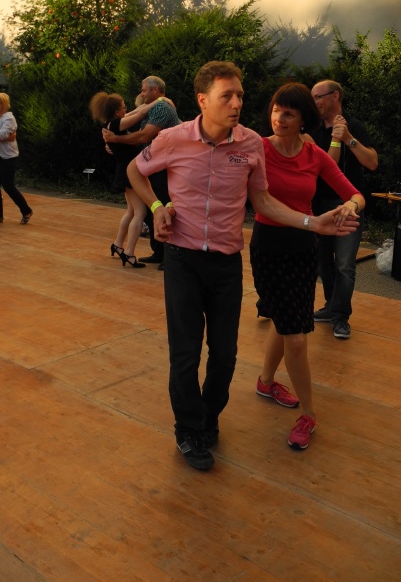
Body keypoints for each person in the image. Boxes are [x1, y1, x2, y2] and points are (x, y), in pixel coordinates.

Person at [127, 61, 360, 471]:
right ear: (203, 100)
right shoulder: (172, 138)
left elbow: (264, 201)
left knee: (225, 354)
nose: (237, 104)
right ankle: (188, 429)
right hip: (182, 259)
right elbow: (135, 169)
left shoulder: (251, 144)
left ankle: (209, 417)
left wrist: (313, 223)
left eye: (240, 96)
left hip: (226, 262)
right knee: (185, 353)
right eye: (227, 96)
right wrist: (158, 206)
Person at [250, 83, 364, 451]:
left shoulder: (314, 154)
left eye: (288, 113)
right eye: (275, 110)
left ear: (303, 120)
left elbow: (354, 193)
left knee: (285, 322)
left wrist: (350, 207)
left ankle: (265, 382)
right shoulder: (258, 149)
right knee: (295, 336)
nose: (279, 118)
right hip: (268, 250)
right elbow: (257, 200)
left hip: (303, 251)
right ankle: (309, 414)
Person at [310, 80, 378, 339]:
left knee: (345, 264)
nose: (315, 102)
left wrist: (348, 138)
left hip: (349, 204)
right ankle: (331, 307)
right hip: (320, 205)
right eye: (313, 97)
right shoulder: (313, 129)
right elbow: (323, 167)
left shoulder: (354, 126)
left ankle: (340, 316)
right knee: (323, 262)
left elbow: (372, 163)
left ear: (335, 96)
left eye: (318, 97)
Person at [103, 76, 181, 270]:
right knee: (147, 210)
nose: (141, 93)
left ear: (156, 90)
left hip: (164, 166)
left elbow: (144, 135)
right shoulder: (153, 107)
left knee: (160, 207)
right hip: (151, 166)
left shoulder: (161, 108)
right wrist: (114, 144)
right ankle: (158, 252)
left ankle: (167, 256)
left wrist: (116, 141)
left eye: (144, 90)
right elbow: (140, 131)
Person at [0, 92, 33, 225]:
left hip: (7, 157)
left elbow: (2, 134)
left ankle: (26, 210)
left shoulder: (9, 118)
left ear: (3, 104)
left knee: (8, 186)